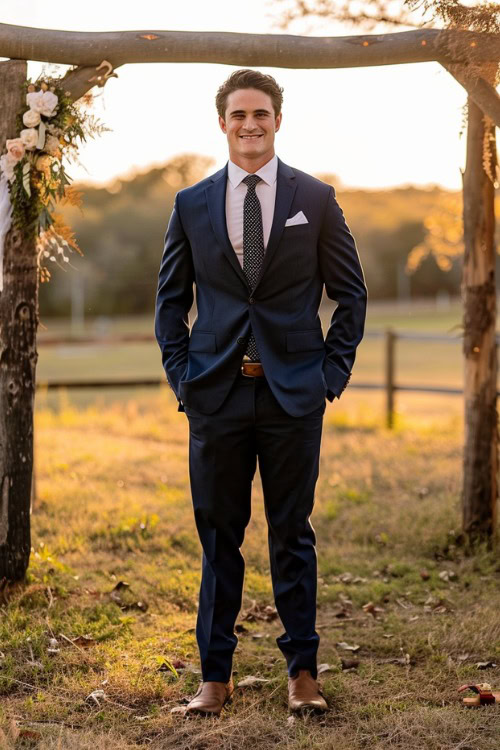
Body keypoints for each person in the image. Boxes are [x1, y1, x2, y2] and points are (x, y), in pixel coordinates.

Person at [154, 68, 367, 717]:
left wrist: (330, 374)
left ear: (278, 121)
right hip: (215, 396)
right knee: (219, 537)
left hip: (294, 396)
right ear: (223, 122)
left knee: (291, 533)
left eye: (262, 114)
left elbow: (350, 294)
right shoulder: (191, 203)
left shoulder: (317, 198)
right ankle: (213, 677)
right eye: (239, 114)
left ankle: (302, 671)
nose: (251, 124)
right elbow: (170, 302)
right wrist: (182, 378)